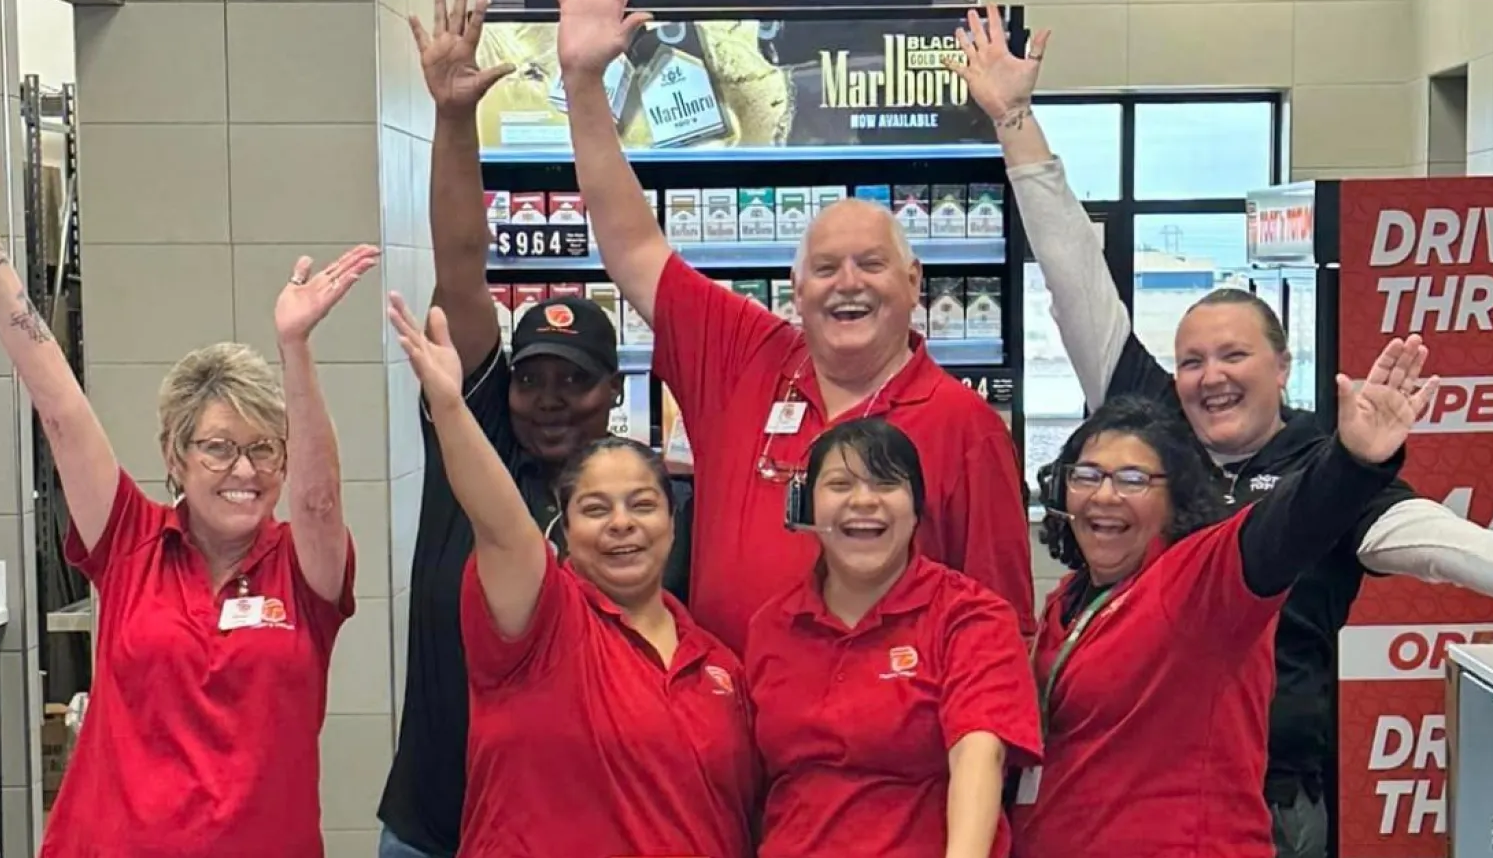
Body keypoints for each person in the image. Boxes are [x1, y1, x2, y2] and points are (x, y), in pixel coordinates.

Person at [948, 6, 1493, 855]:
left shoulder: (1327, 471)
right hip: (1118, 783)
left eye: (1233, 355)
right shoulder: (1147, 427)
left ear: (1283, 366)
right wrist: (1014, 122)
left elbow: (1444, 543)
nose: (1210, 376)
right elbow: (1076, 282)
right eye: (1192, 360)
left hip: (1271, 791)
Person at [551, 0, 1034, 653]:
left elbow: (1001, 632)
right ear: (795, 290)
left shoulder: (967, 429)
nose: (848, 284)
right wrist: (585, 83)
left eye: (872, 264)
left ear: (913, 284)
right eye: (826, 268)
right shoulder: (745, 354)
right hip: (727, 733)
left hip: (886, 757)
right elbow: (633, 245)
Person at [0, 168, 371, 857]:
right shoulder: (131, 542)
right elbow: (57, 403)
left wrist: (295, 347)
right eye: (218, 448)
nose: (244, 470)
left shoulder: (304, 572)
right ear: (174, 455)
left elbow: (321, 499)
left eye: (264, 448)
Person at [377, 0, 694, 858]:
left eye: (577, 383)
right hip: (436, 823)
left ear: (615, 395)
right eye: (534, 379)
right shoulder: (468, 462)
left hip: (576, 830)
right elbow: (462, 264)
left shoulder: (647, 513)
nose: (552, 399)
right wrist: (450, 118)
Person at [1015, 343, 1429, 856]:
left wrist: (1354, 462)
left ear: (1176, 499)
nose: (1104, 495)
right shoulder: (1070, 597)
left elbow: (1285, 530)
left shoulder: (1197, 582)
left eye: (1133, 480)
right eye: (1087, 475)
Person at [387, 294, 758, 858]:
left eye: (641, 504)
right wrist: (451, 409)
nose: (621, 525)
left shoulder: (720, 669)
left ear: (674, 519)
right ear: (564, 531)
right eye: (595, 509)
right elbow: (501, 525)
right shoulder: (540, 625)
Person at [746, 418, 1040, 858]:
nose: (863, 501)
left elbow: (979, 757)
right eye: (840, 484)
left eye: (885, 483)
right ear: (806, 506)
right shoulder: (771, 627)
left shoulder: (970, 615)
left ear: (917, 507)